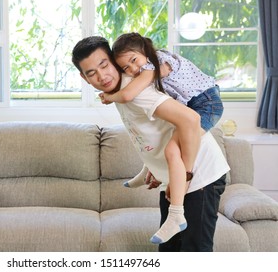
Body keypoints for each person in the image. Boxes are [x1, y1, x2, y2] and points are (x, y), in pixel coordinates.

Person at [72, 36, 229, 251]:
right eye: (91, 73)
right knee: (169, 250)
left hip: (201, 177)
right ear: (83, 77)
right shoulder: (120, 91)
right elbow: (154, 132)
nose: (102, 76)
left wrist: (185, 177)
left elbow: (191, 120)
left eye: (104, 65)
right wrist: (157, 169)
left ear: (112, 60)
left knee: (194, 253)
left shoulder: (136, 92)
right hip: (175, 176)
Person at [102, 32, 223, 190]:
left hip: (207, 104)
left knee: (173, 148)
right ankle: (152, 170)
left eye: (134, 60)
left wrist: (109, 96)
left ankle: (184, 178)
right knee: (161, 140)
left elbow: (127, 94)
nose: (133, 69)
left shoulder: (156, 63)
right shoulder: (147, 66)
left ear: (145, 50)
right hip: (192, 103)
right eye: (126, 68)